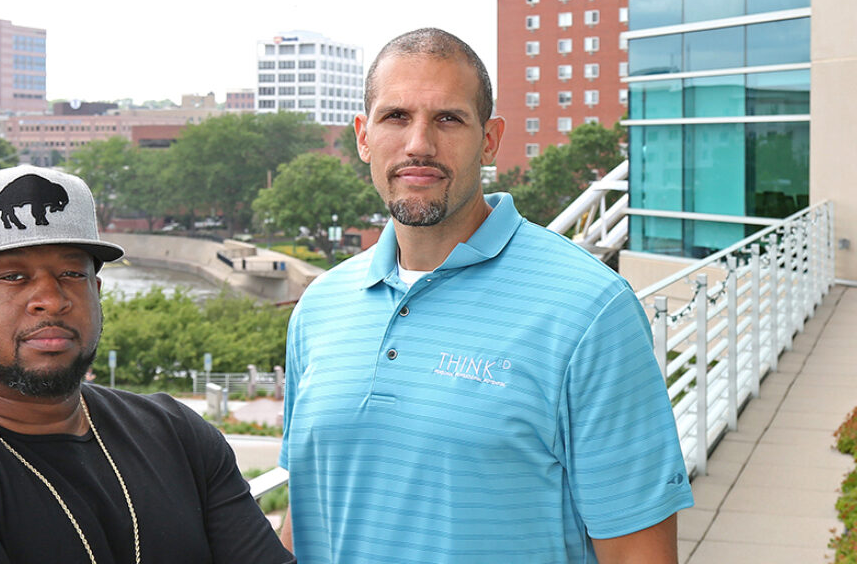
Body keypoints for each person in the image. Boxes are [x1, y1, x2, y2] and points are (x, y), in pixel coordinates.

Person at [278, 28, 693, 563]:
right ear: (363, 136)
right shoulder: (320, 308)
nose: (419, 145)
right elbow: (309, 506)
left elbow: (641, 553)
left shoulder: (591, 310)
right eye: (395, 117)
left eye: (448, 118)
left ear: (490, 139)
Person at [0, 165, 293, 563]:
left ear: (96, 292)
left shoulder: (177, 435)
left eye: (72, 273)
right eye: (14, 276)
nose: (51, 299)